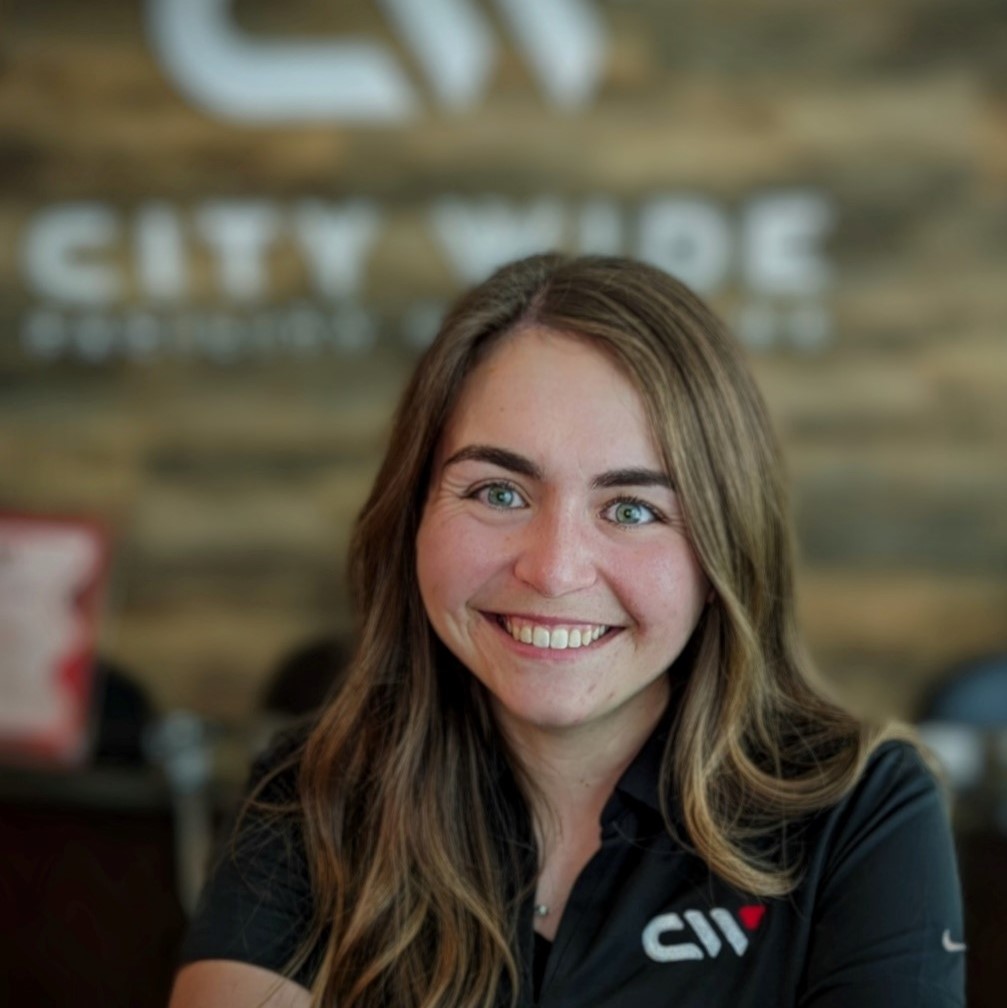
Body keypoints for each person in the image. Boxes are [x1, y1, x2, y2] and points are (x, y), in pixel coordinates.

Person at [170, 254, 964, 1008]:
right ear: (411, 514)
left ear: (725, 550)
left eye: (632, 510)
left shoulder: (859, 811)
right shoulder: (314, 791)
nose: (553, 571)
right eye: (499, 493)